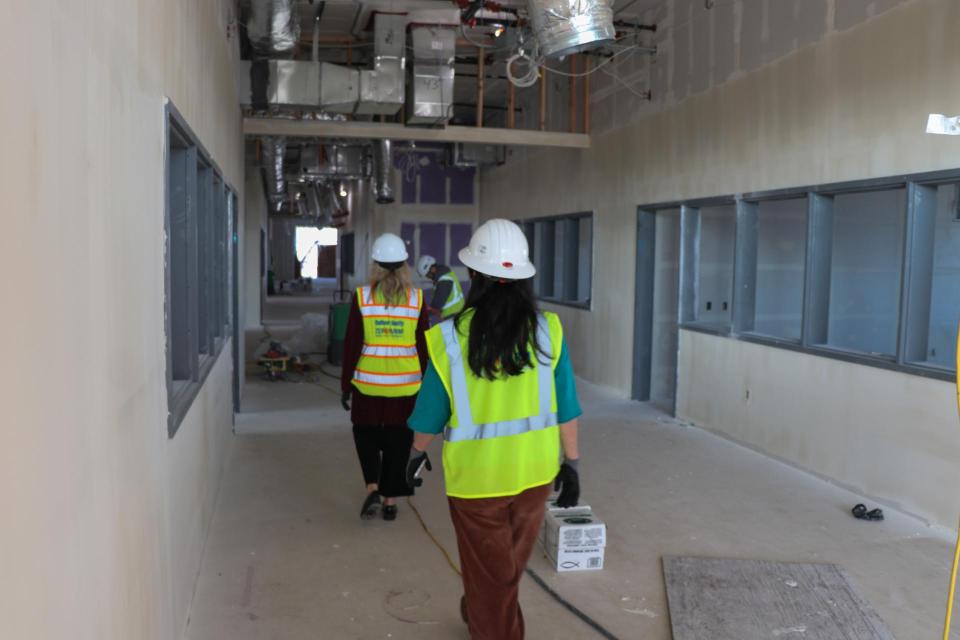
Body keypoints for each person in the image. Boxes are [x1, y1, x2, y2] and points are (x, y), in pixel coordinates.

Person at [405, 219, 582, 640]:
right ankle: (481, 608)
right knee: (504, 572)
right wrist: (572, 464)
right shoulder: (547, 331)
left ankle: (487, 617)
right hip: (534, 476)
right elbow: (567, 406)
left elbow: (431, 410)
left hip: (476, 483)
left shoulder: (449, 338)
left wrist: (414, 455)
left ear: (474, 275)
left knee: (494, 575)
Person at [340, 233, 429, 521]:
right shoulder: (416, 299)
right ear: (405, 265)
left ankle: (373, 486)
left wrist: (345, 386)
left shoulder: (362, 297)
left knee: (365, 434)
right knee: (399, 440)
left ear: (375, 265)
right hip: (405, 385)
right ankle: (391, 501)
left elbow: (352, 343)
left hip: (368, 383)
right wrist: (427, 388)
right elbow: (424, 346)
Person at [416, 254, 465, 320]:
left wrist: (419, 314)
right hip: (456, 317)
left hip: (454, 318)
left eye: (428, 275)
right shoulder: (445, 277)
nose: (429, 278)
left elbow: (436, 306)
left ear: (432, 269)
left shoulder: (444, 281)